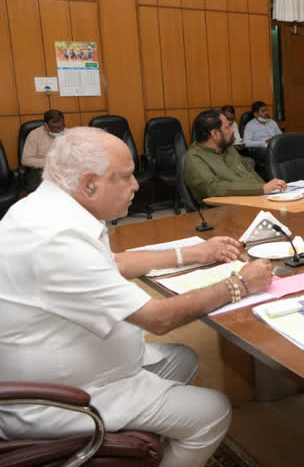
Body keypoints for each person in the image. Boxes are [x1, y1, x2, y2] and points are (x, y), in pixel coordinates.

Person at [0, 127, 275, 467]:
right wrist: (240, 285)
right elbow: (159, 319)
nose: (136, 185)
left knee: (182, 359)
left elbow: (113, 263)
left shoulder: (47, 209)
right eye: (127, 176)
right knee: (213, 412)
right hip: (58, 397)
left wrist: (194, 253)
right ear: (90, 183)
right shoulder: (55, 239)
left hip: (71, 363)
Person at [184, 109, 286, 203]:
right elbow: (212, 188)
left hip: (258, 200)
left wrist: (269, 192)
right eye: (227, 127)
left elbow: (249, 171)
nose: (232, 130)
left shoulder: (228, 147)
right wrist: (261, 189)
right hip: (225, 211)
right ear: (215, 134)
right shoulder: (194, 157)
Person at [21, 109, 65, 193]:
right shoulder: (34, 135)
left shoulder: (68, 133)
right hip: (42, 172)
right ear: (46, 125)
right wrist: (51, 162)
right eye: (55, 128)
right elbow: (25, 160)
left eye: (61, 127)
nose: (59, 130)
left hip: (64, 172)